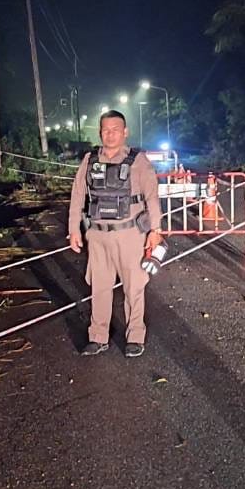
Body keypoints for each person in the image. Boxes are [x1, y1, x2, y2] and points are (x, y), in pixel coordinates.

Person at [68, 110, 162, 357]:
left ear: (125, 132)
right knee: (99, 287)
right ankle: (98, 337)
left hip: (130, 235)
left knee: (134, 287)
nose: (109, 134)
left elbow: (152, 196)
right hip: (98, 236)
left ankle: (135, 336)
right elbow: (78, 195)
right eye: (105, 130)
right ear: (100, 132)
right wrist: (73, 230)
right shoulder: (89, 160)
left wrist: (156, 231)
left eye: (115, 129)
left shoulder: (138, 161)